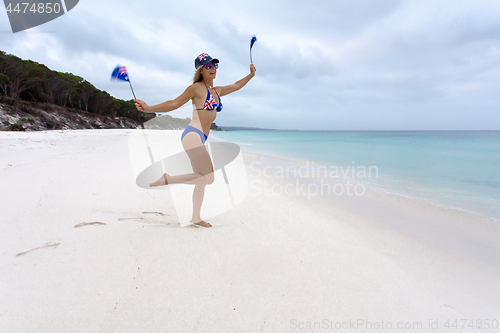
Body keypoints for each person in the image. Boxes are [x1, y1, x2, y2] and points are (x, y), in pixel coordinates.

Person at [134, 53, 256, 228]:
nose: (213, 68)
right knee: (209, 178)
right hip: (193, 135)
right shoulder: (196, 88)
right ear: (200, 70)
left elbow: (236, 85)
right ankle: (168, 179)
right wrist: (149, 108)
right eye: (208, 66)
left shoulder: (217, 91)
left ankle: (195, 217)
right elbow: (174, 103)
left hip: (202, 137)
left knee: (201, 180)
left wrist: (251, 75)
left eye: (214, 65)